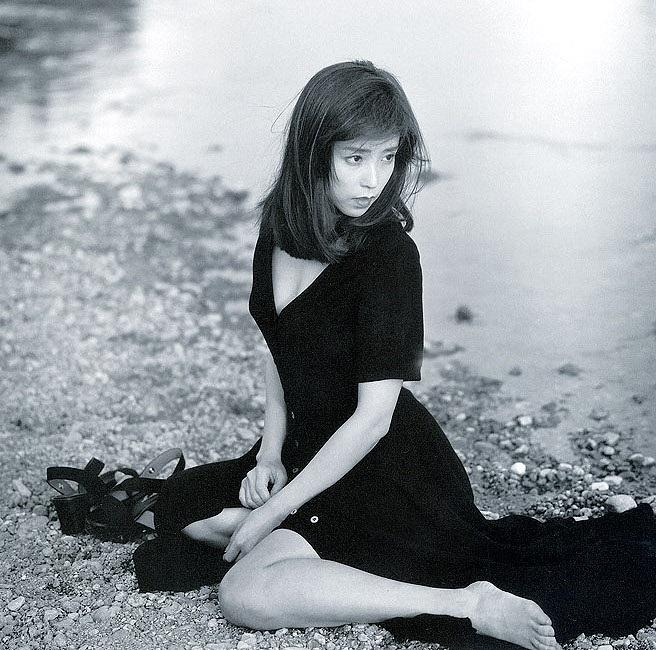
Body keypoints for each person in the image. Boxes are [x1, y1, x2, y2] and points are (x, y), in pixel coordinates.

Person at [133, 60, 656, 649]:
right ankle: (304, 543)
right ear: (313, 153)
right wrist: (271, 455)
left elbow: (374, 419)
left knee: (243, 594)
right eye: (355, 158)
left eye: (387, 158)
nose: (373, 181)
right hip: (306, 448)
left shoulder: (389, 258)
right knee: (182, 509)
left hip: (384, 471)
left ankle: (465, 602)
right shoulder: (278, 233)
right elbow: (278, 352)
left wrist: (275, 511)